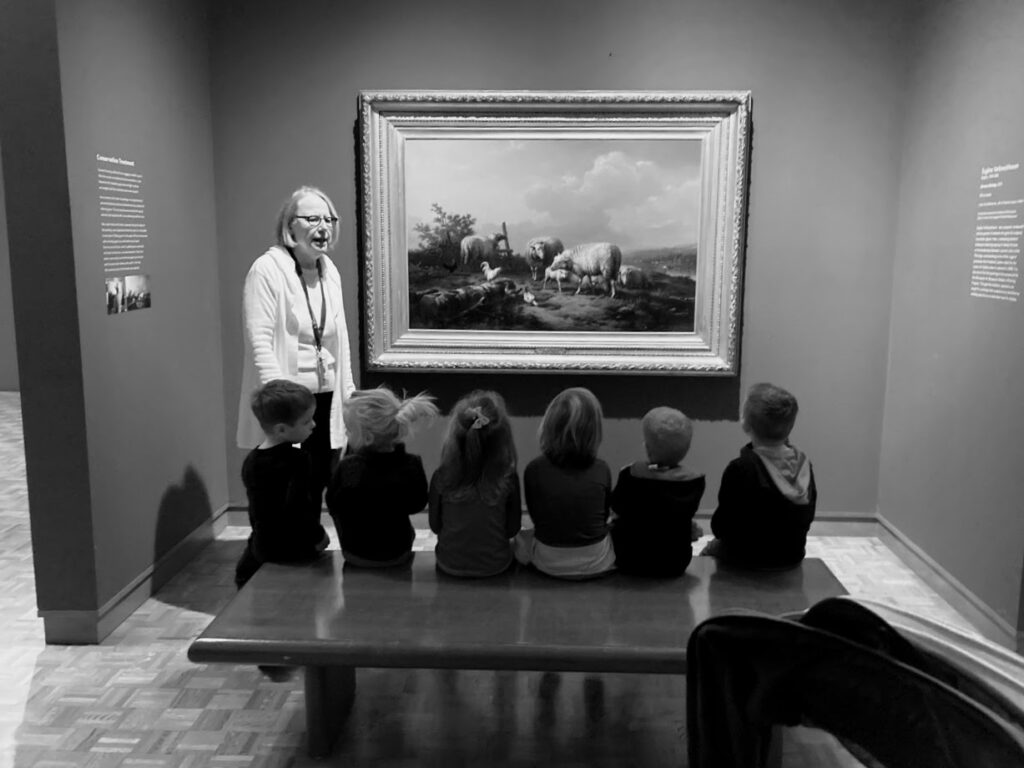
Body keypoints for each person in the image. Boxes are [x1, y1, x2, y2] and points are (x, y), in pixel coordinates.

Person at [236, 185, 356, 518]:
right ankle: (278, 559)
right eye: (313, 218)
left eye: (329, 218)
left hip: (326, 398)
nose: (324, 226)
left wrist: (348, 396)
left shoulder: (329, 271)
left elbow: (339, 340)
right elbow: (258, 339)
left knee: (317, 479)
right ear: (290, 226)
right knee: (287, 489)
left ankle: (307, 551)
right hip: (291, 405)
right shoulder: (267, 269)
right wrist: (282, 403)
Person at [703, 382, 817, 568]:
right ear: (790, 426)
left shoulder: (740, 469)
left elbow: (721, 527)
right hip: (790, 556)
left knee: (708, 553)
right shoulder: (804, 467)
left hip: (745, 558)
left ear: (745, 423)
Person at [235, 379, 330, 590]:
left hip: (262, 544)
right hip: (293, 547)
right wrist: (319, 536)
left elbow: (257, 511)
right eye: (306, 421)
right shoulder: (299, 460)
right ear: (281, 429)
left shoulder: (251, 461)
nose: (314, 424)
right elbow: (300, 507)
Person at [326, 387, 438, 566]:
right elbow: (417, 503)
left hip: (355, 553)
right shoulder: (411, 464)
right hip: (397, 552)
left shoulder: (348, 467)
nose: (346, 434)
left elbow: (333, 504)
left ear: (368, 438)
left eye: (349, 430)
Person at [516, 387, 616, 578]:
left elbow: (537, 518)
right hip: (597, 562)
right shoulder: (601, 469)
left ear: (548, 426)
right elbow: (603, 518)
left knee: (521, 538)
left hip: (547, 562)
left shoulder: (534, 469)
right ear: (593, 431)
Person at [428, 390, 522, 577]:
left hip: (449, 565)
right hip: (495, 566)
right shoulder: (508, 478)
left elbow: (435, 526)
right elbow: (512, 529)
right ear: (503, 438)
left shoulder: (441, 477)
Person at [610, 406, 705, 577]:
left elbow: (616, 506)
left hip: (630, 559)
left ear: (647, 447)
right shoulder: (695, 481)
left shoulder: (631, 474)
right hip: (676, 562)